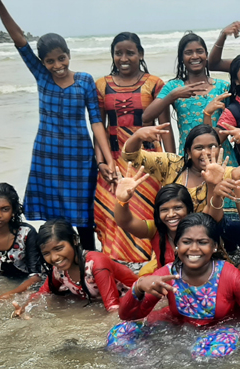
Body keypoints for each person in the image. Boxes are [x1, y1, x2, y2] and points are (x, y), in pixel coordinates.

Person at [0, 0, 114, 250]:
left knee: (83, 217)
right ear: (43, 62)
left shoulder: (84, 81)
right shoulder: (41, 76)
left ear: (69, 54)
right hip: (47, 155)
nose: (58, 66)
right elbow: (18, 38)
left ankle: (89, 263)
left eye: (62, 58)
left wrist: (107, 159)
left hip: (80, 158)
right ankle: (55, 264)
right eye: (50, 61)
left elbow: (96, 122)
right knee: (53, 218)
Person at [119, 213, 240, 357]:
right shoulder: (168, 274)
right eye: (186, 242)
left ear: (214, 246)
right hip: (180, 327)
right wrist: (138, 287)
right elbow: (127, 316)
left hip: (221, 330)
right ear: (177, 246)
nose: (194, 249)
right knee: (120, 334)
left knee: (206, 354)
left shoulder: (228, 274)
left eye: (202, 242)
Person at [94, 32, 168, 264]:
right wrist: (102, 163)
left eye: (130, 53)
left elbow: (165, 128)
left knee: (147, 211)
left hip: (148, 160)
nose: (123, 58)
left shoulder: (155, 83)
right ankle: (116, 265)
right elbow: (99, 129)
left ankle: (148, 264)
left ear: (141, 54)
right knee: (111, 211)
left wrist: (171, 164)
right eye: (118, 53)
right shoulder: (102, 85)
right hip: (113, 159)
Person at [120, 124, 240, 219]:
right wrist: (137, 136)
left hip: (206, 240)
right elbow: (131, 156)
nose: (207, 152)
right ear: (188, 151)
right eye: (199, 148)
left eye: (212, 146)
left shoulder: (223, 173)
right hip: (171, 235)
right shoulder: (171, 164)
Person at [12, 219, 138, 316]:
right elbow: (43, 294)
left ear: (75, 240)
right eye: (46, 253)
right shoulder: (59, 270)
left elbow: (113, 309)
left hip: (136, 299)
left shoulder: (96, 264)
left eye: (59, 248)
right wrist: (24, 309)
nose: (54, 257)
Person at [143, 32, 235, 160]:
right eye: (188, 53)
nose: (195, 56)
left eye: (199, 51)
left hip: (222, 157)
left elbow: (234, 123)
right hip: (188, 159)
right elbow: (147, 117)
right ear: (181, 58)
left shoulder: (223, 87)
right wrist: (172, 96)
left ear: (206, 55)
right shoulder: (173, 87)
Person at [114, 175, 193, 276]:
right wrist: (121, 200)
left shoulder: (199, 227)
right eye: (164, 210)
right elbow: (126, 222)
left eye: (177, 208)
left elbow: (213, 212)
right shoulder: (155, 229)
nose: (171, 214)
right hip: (163, 287)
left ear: (188, 209)